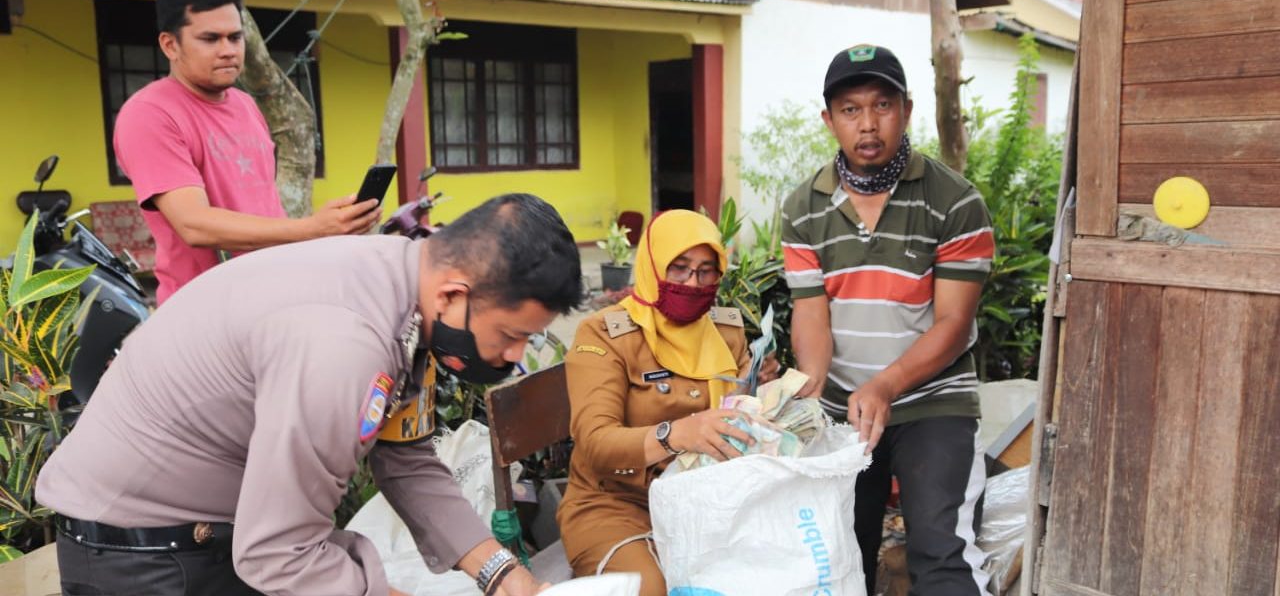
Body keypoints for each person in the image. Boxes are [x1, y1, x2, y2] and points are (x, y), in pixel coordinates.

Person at [36, 194, 581, 596]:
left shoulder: (404, 290)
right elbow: (279, 552)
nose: (514, 357)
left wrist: (502, 575)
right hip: (144, 562)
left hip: (209, 539)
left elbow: (406, 457)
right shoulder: (345, 344)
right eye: (511, 336)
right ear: (455, 293)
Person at [782, 44, 996, 595]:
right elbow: (811, 318)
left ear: (907, 109)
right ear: (829, 120)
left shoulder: (955, 202)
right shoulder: (803, 208)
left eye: (882, 105)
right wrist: (805, 391)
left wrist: (884, 385)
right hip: (842, 409)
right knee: (838, 552)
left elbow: (952, 324)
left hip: (933, 402)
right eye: (851, 110)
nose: (868, 124)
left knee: (940, 550)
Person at [114, 0, 380, 305]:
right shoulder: (150, 114)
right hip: (206, 311)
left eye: (235, 37)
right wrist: (313, 227)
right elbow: (194, 224)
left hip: (274, 296)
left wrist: (331, 229)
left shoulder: (245, 105)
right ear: (170, 45)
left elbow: (263, 209)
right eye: (210, 39)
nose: (228, 50)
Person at [557, 210, 775, 596]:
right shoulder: (606, 334)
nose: (694, 283)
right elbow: (595, 443)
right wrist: (677, 434)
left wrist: (762, 394)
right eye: (679, 268)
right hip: (615, 506)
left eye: (707, 271)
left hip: (706, 502)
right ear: (653, 265)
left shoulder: (725, 330)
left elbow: (738, 419)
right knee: (651, 588)